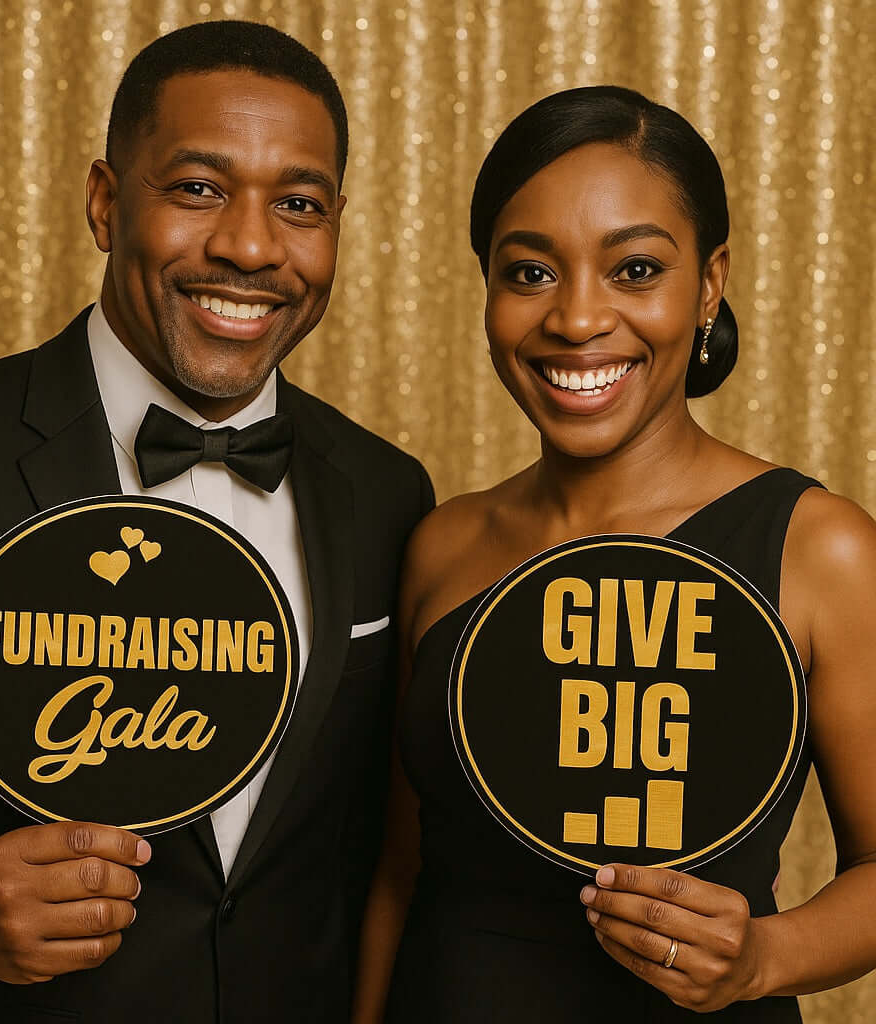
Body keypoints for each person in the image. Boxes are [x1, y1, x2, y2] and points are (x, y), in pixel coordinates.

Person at [0, 20, 433, 1024]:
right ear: (105, 203)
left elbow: (380, 848)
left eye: (297, 205)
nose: (249, 246)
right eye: (198, 189)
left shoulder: (388, 493)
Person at [352, 86, 876, 1022]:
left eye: (635, 269)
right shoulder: (443, 542)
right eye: (529, 273)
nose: (578, 320)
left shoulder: (817, 547)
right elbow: (398, 873)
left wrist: (765, 956)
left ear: (709, 284)